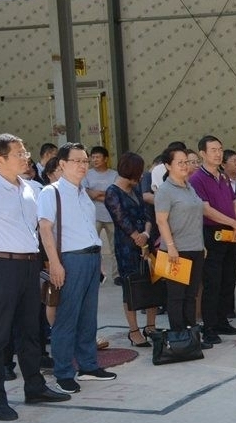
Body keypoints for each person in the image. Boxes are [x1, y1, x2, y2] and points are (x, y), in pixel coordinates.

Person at [0, 134, 71, 421]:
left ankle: (35, 387)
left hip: (28, 266)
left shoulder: (30, 189)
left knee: (30, 331)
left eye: (25, 152)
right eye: (19, 154)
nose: (26, 157)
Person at [38, 143, 117, 395]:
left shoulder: (83, 192)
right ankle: (63, 373)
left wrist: (99, 260)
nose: (83, 165)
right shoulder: (51, 192)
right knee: (66, 318)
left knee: (87, 317)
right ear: (62, 164)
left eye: (85, 161)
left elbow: (87, 229)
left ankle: (88, 366)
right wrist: (55, 263)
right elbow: (45, 229)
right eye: (77, 161)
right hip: (70, 260)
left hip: (91, 258)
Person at [190, 135, 236, 345]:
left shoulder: (223, 176)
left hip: (232, 232)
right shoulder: (197, 179)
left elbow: (234, 201)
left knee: (228, 279)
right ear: (202, 153)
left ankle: (222, 320)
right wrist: (233, 223)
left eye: (220, 149)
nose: (218, 153)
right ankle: (210, 327)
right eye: (213, 150)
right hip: (212, 233)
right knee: (212, 282)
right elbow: (205, 209)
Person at [154, 147, 208, 346]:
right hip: (176, 251)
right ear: (168, 166)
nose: (185, 166)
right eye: (180, 162)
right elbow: (161, 221)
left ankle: (192, 336)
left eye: (186, 162)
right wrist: (171, 246)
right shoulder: (165, 191)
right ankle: (179, 338)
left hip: (195, 248)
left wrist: (201, 244)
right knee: (177, 296)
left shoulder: (189, 187)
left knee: (191, 295)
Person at [105, 152, 158, 347]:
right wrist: (139, 238)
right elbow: (121, 220)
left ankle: (151, 326)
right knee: (131, 288)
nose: (142, 175)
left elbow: (147, 214)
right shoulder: (112, 192)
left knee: (152, 284)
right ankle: (134, 331)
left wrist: (146, 234)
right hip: (127, 247)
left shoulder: (135, 189)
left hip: (145, 241)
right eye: (139, 171)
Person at [82, 146, 120, 284]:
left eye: (98, 157)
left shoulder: (114, 174)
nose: (95, 160)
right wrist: (104, 194)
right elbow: (85, 192)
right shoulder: (87, 174)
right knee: (92, 247)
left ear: (106, 159)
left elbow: (115, 194)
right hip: (93, 216)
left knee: (115, 247)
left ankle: (117, 275)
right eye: (93, 157)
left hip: (112, 216)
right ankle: (97, 275)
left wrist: (95, 193)